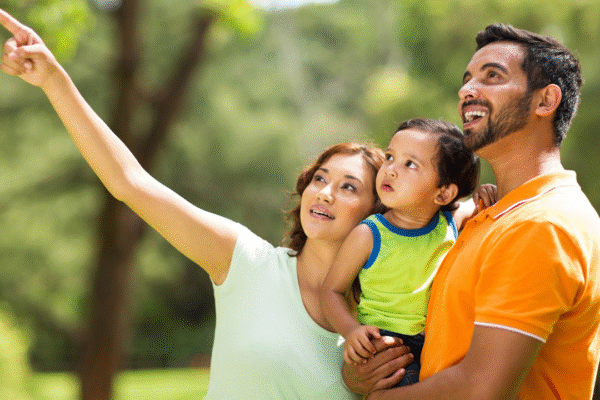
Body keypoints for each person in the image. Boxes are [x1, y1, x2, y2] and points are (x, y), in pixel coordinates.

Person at [0, 9, 413, 399]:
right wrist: (54, 80)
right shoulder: (247, 263)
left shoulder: (383, 317)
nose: (324, 192)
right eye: (319, 179)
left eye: (348, 187)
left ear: (376, 212)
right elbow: (129, 183)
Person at [355, 23, 600, 400]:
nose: (467, 90)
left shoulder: (541, 225)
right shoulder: (490, 215)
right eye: (467, 79)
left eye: (492, 76)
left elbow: (479, 388)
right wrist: (365, 373)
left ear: (545, 101)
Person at [321, 118, 487, 387]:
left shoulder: (448, 224)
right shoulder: (369, 234)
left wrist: (487, 192)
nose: (390, 170)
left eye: (410, 164)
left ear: (443, 194)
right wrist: (351, 331)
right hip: (383, 343)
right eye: (389, 157)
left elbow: (476, 202)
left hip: (436, 343)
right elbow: (331, 290)